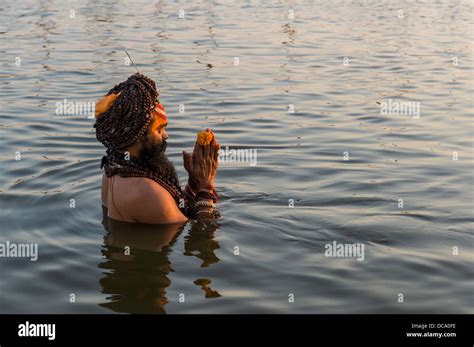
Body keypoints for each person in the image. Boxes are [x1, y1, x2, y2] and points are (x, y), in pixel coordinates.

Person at [94, 73, 220, 224]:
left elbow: (179, 210)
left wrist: (194, 184)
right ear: (136, 135)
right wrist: (206, 188)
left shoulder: (112, 169)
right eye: (159, 129)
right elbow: (202, 234)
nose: (166, 136)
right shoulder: (148, 193)